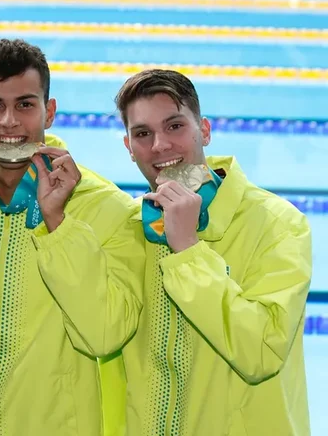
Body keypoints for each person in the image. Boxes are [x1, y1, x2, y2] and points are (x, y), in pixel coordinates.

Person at [0, 38, 145, 435]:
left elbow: (105, 335)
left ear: (50, 110)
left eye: (25, 104)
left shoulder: (109, 210)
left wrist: (59, 224)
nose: (9, 121)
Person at [100, 68, 311, 435]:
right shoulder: (127, 226)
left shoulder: (278, 224)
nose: (160, 145)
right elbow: (99, 335)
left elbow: (262, 351)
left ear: (205, 131)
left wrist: (188, 253)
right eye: (143, 133)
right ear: (128, 147)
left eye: (175, 126)